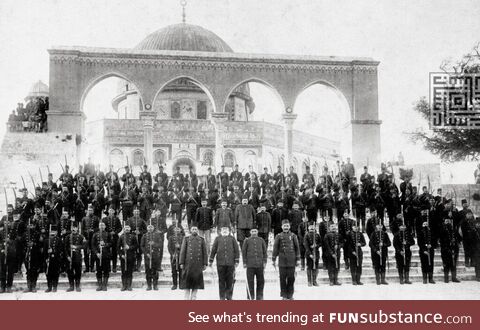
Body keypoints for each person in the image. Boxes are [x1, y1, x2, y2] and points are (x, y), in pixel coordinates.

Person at [209, 226, 240, 300]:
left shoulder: (232, 239)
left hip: (230, 263)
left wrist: (236, 260)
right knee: (221, 280)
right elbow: (213, 249)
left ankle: (229, 296)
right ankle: (222, 296)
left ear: (229, 230)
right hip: (220, 263)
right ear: (221, 230)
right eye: (223, 229)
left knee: (230, 280)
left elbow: (236, 250)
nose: (225, 230)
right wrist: (211, 260)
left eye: (226, 229)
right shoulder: (217, 239)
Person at [272, 220, 300, 300]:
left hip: (292, 260)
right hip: (282, 261)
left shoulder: (294, 236)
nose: (286, 227)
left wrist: (298, 259)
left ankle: (290, 295)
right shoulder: (278, 236)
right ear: (282, 227)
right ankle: (284, 295)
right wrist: (273, 259)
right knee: (282, 279)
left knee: (291, 278)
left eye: (287, 226)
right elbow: (275, 248)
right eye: (284, 226)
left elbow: (297, 248)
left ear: (289, 227)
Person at [179, 226, 208, 300]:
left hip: (198, 265)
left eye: (195, 229)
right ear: (190, 230)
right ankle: (186, 297)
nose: (194, 230)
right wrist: (181, 262)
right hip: (188, 264)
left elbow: (205, 252)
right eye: (193, 229)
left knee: (196, 282)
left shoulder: (201, 239)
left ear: (198, 230)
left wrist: (205, 263)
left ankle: (194, 296)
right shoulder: (186, 239)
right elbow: (183, 251)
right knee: (187, 281)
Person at [242, 228, 267, 300]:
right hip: (250, 265)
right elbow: (244, 252)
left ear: (257, 232)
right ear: (250, 232)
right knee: (250, 282)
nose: (254, 233)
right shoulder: (247, 240)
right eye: (252, 231)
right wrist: (244, 262)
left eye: (255, 231)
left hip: (260, 265)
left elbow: (264, 252)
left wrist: (264, 262)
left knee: (261, 281)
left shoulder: (261, 240)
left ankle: (259, 297)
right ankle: (250, 297)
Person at [141, 224, 162, 290]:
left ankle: (155, 285)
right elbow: (142, 246)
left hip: (155, 255)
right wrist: (146, 253)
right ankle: (149, 285)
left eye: (151, 227)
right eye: (149, 227)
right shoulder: (144, 235)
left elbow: (160, 244)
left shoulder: (157, 235)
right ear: (147, 228)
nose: (150, 228)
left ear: (153, 228)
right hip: (147, 256)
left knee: (155, 270)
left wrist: (154, 244)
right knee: (148, 270)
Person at [65, 225, 85, 292]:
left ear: (77, 229)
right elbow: (65, 248)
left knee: (78, 271)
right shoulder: (68, 237)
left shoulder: (81, 237)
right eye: (73, 228)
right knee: (70, 271)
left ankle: (77, 285)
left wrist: (76, 247)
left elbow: (84, 246)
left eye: (75, 228)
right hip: (70, 257)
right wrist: (67, 256)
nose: (74, 229)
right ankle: (71, 286)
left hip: (77, 256)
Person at [92, 222, 112, 291]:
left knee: (106, 270)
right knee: (99, 270)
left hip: (106, 255)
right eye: (100, 225)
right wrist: (97, 253)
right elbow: (93, 245)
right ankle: (99, 285)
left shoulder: (108, 234)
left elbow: (111, 243)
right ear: (98, 226)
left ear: (105, 226)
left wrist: (105, 244)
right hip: (98, 256)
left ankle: (104, 285)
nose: (101, 226)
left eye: (103, 225)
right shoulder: (95, 234)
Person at [440, 218, 461, 283]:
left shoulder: (454, 230)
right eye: (446, 221)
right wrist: (446, 247)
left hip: (454, 249)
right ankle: (446, 278)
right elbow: (441, 240)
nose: (448, 222)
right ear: (444, 222)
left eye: (449, 221)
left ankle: (453, 278)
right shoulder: (442, 230)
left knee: (453, 264)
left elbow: (460, 238)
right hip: (445, 250)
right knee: (446, 264)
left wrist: (456, 241)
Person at [117, 224, 138, 291]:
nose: (127, 229)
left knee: (129, 271)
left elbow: (136, 246)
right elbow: (118, 248)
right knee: (123, 271)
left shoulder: (133, 236)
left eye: (128, 227)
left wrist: (129, 247)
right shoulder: (121, 237)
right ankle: (124, 285)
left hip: (131, 256)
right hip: (123, 256)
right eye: (125, 227)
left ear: (130, 229)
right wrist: (121, 255)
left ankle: (129, 285)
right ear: (124, 229)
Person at [101, 207, 122, 272]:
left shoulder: (117, 219)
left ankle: (114, 267)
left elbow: (120, 228)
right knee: (107, 252)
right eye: (110, 211)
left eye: (112, 211)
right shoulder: (104, 219)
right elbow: (102, 227)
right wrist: (108, 233)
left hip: (115, 238)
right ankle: (108, 267)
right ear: (108, 211)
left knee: (114, 252)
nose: (111, 212)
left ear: (114, 212)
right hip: (107, 237)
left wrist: (115, 232)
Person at [167, 217, 185, 290]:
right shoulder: (171, 238)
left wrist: (179, 247)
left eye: (178, 229)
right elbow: (169, 247)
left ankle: (181, 284)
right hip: (173, 256)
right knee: (174, 271)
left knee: (181, 270)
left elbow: (185, 248)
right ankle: (175, 284)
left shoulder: (184, 238)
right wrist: (172, 254)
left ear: (180, 230)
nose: (177, 230)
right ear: (173, 230)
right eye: (175, 229)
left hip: (181, 256)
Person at [44, 226, 63, 292]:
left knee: (55, 273)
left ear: (57, 232)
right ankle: (49, 287)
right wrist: (46, 258)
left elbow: (60, 250)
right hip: (48, 259)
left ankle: (55, 286)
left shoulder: (59, 240)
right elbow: (44, 251)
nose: (53, 233)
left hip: (56, 259)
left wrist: (53, 251)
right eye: (52, 231)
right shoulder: (47, 240)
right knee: (48, 273)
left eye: (54, 231)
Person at [127, 207, 147, 271]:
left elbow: (145, 230)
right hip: (132, 238)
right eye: (135, 212)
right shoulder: (129, 220)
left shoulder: (142, 220)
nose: (136, 213)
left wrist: (140, 232)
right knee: (132, 253)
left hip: (140, 238)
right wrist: (132, 232)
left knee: (139, 253)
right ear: (133, 213)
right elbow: (126, 229)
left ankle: (138, 266)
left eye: (137, 212)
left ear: (139, 213)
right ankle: (133, 266)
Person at [81, 204, 99, 273]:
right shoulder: (84, 219)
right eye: (89, 210)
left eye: (91, 210)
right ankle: (87, 268)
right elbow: (82, 229)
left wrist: (93, 230)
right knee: (86, 254)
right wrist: (83, 237)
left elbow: (98, 228)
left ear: (93, 211)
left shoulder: (96, 218)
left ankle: (92, 267)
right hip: (86, 237)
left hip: (93, 238)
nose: (90, 211)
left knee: (93, 253)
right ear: (87, 211)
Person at [418, 216, 436, 284]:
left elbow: (434, 240)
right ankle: (424, 278)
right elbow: (420, 242)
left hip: (430, 250)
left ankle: (431, 278)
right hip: (423, 251)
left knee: (430, 264)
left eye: (426, 224)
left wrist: (431, 245)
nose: (425, 225)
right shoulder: (420, 232)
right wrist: (423, 250)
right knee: (424, 264)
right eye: (424, 224)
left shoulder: (431, 232)